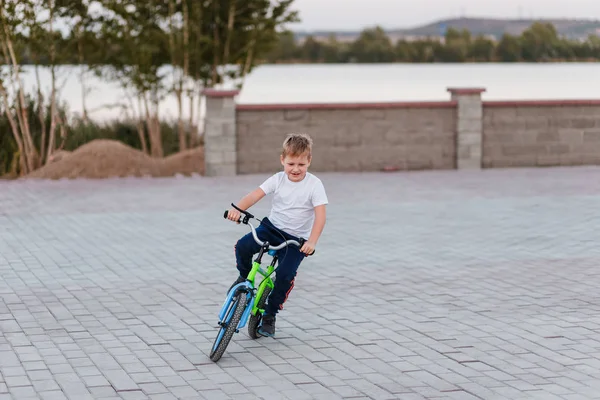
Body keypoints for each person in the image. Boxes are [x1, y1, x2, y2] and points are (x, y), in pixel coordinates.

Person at [225, 133, 328, 337]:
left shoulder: (314, 185)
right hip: (271, 228)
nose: (296, 169)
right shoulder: (278, 179)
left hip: (296, 240)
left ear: (309, 161)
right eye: (291, 163)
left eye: (301, 163)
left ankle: (270, 315)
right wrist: (237, 210)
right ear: (282, 160)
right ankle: (243, 277)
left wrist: (312, 242)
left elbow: (320, 217)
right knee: (243, 247)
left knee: (285, 275)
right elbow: (255, 195)